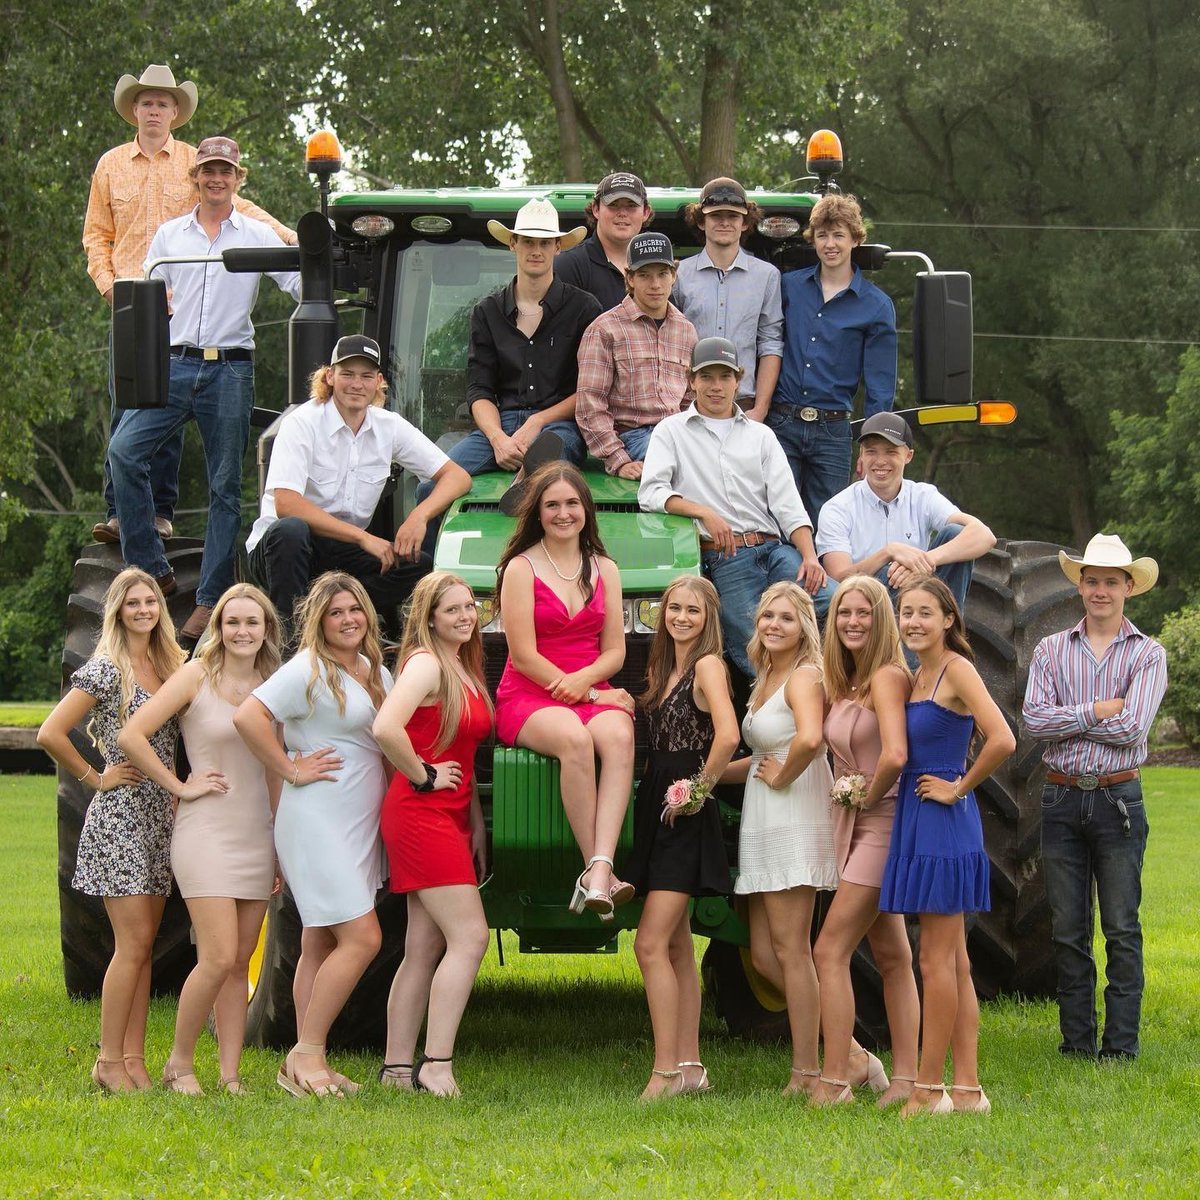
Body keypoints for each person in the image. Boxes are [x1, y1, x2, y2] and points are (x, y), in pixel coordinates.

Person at [84, 63, 295, 549]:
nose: (154, 110)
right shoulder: (110, 165)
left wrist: (288, 237)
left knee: (172, 412)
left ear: (175, 112)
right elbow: (96, 235)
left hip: (188, 308)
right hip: (134, 302)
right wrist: (113, 289)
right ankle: (120, 512)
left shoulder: (193, 162)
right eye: (147, 102)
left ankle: (160, 512)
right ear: (135, 110)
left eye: (163, 103)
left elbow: (239, 208)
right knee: (128, 409)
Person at [107, 135, 301, 635]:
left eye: (225, 172)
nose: (217, 179)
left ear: (238, 179)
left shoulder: (257, 235)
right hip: (173, 363)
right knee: (124, 452)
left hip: (230, 369)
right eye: (208, 171)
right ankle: (150, 568)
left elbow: (300, 285)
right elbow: (152, 298)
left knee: (225, 487)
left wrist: (316, 257)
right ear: (195, 178)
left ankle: (211, 598)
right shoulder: (170, 236)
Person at [116, 584, 282, 1095]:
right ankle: (179, 1064)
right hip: (205, 831)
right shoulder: (196, 675)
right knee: (217, 956)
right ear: (219, 627)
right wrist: (179, 785)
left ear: (266, 629)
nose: (242, 631)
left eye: (252, 622)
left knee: (239, 962)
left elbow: (275, 770)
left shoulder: (274, 685)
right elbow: (131, 735)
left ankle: (230, 1075)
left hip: (258, 834)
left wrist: (281, 843)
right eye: (233, 622)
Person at [234, 573, 392, 1098]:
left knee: (320, 940)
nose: (348, 620)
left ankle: (303, 1062)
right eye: (335, 613)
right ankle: (307, 1052)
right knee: (364, 937)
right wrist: (290, 768)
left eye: (354, 609)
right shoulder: (307, 668)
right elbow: (249, 716)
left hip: (359, 823)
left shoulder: (375, 670)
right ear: (319, 622)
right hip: (316, 819)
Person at [36, 568, 188, 1092]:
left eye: (151, 602)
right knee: (134, 943)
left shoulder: (170, 666)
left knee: (146, 947)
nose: (144, 610)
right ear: (118, 611)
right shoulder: (106, 669)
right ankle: (106, 1060)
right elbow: (51, 732)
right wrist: (96, 777)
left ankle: (134, 1059)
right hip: (121, 815)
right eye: (133, 603)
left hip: (160, 816)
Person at [1022, 534, 1166, 1061]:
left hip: (1117, 800)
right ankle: (1077, 1042)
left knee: (1121, 927)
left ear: (1128, 587)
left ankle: (1120, 1046)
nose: (1100, 590)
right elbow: (1034, 721)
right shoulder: (1050, 649)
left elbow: (1132, 729)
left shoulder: (1148, 653)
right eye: (1092, 581)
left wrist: (1071, 719)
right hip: (1060, 799)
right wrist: (1098, 710)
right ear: (1079, 586)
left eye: (1110, 581)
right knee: (1067, 929)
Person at [879, 576, 1015, 1116]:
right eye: (906, 612)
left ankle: (928, 1088)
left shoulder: (956, 668)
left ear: (948, 619)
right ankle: (968, 1090)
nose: (913, 622)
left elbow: (1003, 738)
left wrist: (959, 787)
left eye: (925, 613)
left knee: (934, 961)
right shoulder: (917, 674)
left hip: (943, 818)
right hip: (918, 816)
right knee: (954, 963)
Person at [246, 334, 471, 637]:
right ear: (330, 376)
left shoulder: (388, 426)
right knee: (291, 531)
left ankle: (341, 616)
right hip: (284, 550)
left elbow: (458, 477)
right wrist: (363, 538)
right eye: (347, 374)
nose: (356, 384)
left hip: (343, 552)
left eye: (366, 376)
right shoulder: (301, 423)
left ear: (378, 382)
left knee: (418, 566)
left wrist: (418, 517)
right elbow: (286, 504)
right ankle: (290, 644)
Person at [493, 462, 637, 917]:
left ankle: (601, 867)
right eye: (552, 504)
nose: (563, 513)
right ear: (537, 512)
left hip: (589, 681)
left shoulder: (605, 569)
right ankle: (594, 871)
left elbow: (614, 652)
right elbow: (523, 656)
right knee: (575, 740)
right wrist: (589, 693)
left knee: (620, 735)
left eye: (572, 503)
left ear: (586, 509)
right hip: (531, 692)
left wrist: (589, 683)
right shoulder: (520, 568)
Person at [639, 336, 829, 680]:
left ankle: (828, 687)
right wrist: (704, 512)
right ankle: (777, 700)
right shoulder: (671, 431)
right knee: (753, 642)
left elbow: (788, 503)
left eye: (725, 376)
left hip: (775, 550)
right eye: (706, 377)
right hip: (725, 556)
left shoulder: (761, 435)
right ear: (691, 380)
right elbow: (651, 492)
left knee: (837, 600)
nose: (716, 386)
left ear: (738, 380)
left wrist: (810, 556)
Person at [373, 573, 494, 1097]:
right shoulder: (425, 664)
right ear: (430, 618)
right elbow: (385, 728)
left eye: (470, 606)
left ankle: (396, 1070)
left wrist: (476, 823)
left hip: (452, 815)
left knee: (422, 946)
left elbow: (460, 752)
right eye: (453, 610)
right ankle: (436, 1065)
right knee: (471, 937)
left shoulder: (461, 664)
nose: (466, 617)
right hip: (420, 813)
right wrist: (423, 774)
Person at [415, 198, 600, 530]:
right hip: (501, 424)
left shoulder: (584, 308)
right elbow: (479, 390)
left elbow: (591, 389)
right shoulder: (486, 311)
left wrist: (538, 420)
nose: (536, 250)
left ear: (558, 247)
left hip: (559, 424)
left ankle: (530, 481)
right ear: (513, 243)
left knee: (554, 454)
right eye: (528, 241)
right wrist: (498, 438)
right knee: (430, 487)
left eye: (544, 242)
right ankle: (430, 564)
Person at [623, 577, 739, 1099]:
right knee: (674, 946)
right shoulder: (664, 666)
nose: (682, 617)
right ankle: (690, 1069)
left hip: (684, 811)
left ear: (708, 616)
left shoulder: (708, 665)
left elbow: (729, 735)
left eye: (693, 610)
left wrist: (698, 792)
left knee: (648, 944)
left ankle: (665, 1072)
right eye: (674, 608)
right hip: (657, 806)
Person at [725, 582, 838, 1095]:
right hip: (764, 816)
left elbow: (810, 740)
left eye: (786, 618)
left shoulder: (805, 675)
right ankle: (852, 1056)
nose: (774, 624)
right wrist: (705, 779)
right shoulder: (766, 675)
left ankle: (808, 1072)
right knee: (766, 957)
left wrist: (782, 777)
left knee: (792, 952)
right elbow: (762, 758)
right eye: (768, 615)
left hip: (793, 813)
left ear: (804, 628)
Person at [812, 575, 919, 1108]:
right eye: (844, 613)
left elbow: (896, 755)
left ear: (882, 621)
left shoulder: (887, 677)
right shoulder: (847, 681)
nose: (852, 622)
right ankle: (905, 1080)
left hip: (883, 822)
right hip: (855, 825)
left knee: (829, 950)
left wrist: (866, 796)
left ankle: (836, 1080)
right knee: (892, 954)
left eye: (864, 613)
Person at [769, 194, 897, 522]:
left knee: (827, 523)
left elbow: (880, 384)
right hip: (781, 423)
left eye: (839, 235)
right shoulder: (787, 287)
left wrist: (872, 446)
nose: (830, 244)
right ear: (812, 239)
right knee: (775, 518)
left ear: (855, 239)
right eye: (822, 235)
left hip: (833, 431)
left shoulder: (876, 305)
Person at [816, 411, 996, 619]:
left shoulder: (923, 495)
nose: (880, 461)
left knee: (956, 533)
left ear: (908, 456)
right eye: (871, 451)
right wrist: (889, 553)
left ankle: (948, 632)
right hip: (864, 607)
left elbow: (985, 536)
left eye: (891, 452)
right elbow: (839, 580)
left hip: (919, 595)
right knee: (888, 573)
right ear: (861, 455)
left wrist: (922, 561)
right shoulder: (837, 507)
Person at [575, 231, 698, 479]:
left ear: (674, 276)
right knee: (687, 466)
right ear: (629, 277)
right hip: (631, 437)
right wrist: (618, 459)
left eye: (662, 274)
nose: (655, 284)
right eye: (644, 275)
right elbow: (590, 403)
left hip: (678, 433)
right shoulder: (604, 329)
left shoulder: (686, 330)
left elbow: (690, 398)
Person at [673, 177, 783, 417]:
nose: (724, 222)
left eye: (733, 216)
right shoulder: (678, 275)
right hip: (688, 404)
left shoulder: (767, 276)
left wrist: (760, 409)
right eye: (716, 216)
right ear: (701, 221)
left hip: (744, 404)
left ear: (745, 223)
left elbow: (770, 343)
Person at [555, 172, 654, 311]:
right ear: (596, 209)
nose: (622, 213)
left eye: (631, 205)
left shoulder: (659, 265)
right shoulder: (569, 265)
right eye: (613, 205)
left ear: (646, 212)